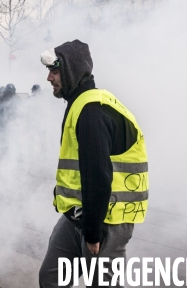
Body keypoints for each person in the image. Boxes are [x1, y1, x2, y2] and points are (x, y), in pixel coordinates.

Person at [38, 40, 148, 288]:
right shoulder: (81, 104)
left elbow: (97, 176)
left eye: (54, 72)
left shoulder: (91, 111)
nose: (49, 78)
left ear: (71, 71)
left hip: (105, 220)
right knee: (51, 279)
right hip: (77, 215)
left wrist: (92, 233)